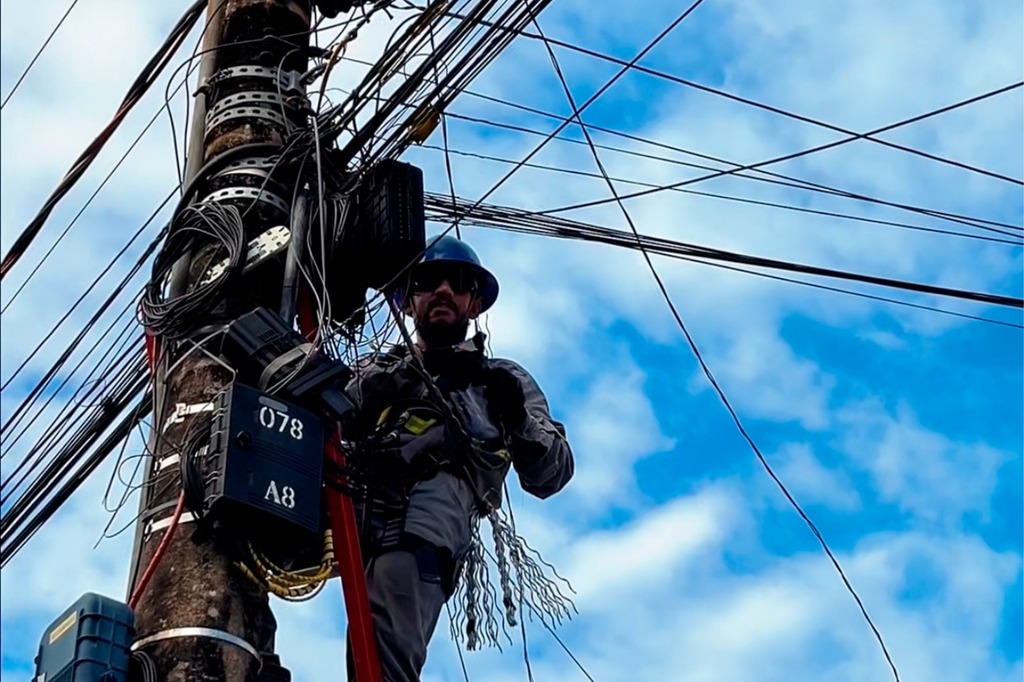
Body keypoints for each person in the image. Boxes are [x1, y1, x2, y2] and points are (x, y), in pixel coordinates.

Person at [342, 234, 575, 682]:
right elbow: (331, 413)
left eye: (458, 282)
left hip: (431, 506)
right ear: (409, 303)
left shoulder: (502, 378)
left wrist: (515, 413)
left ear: (474, 305)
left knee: (387, 627)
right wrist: (395, 381)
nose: (444, 290)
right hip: (357, 496)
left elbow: (553, 474)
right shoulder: (380, 369)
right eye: (430, 281)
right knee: (253, 521)